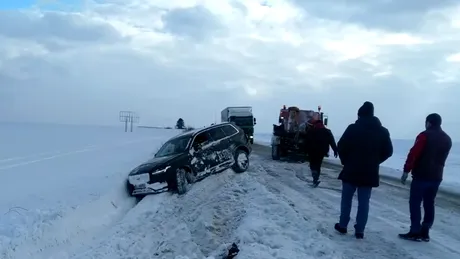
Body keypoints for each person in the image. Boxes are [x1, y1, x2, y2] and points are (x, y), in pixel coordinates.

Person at [334, 101, 393, 239]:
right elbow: (389, 151)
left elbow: (341, 146)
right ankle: (359, 230)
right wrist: (375, 161)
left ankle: (343, 225)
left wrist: (345, 160)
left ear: (360, 115)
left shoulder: (352, 128)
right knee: (364, 202)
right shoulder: (383, 131)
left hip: (351, 170)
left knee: (346, 200)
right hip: (369, 172)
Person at [398, 113, 452, 242]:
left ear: (429, 122)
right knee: (429, 203)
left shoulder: (424, 136)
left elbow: (414, 153)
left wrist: (406, 170)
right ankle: (425, 231)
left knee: (415, 203)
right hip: (437, 176)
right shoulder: (447, 139)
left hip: (422, 175)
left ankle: (415, 231)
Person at [305, 118, 338, 187]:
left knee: (312, 164)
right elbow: (332, 141)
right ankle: (316, 179)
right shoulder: (327, 131)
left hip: (312, 151)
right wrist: (335, 150)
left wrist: (305, 150)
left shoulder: (311, 131)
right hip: (322, 151)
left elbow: (307, 141)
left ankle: (315, 177)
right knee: (318, 165)